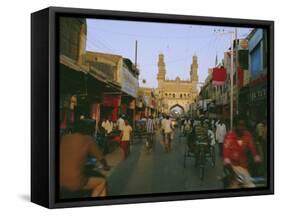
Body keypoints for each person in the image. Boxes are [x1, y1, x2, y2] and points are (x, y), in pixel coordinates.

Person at [60, 119, 110, 198]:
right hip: (75, 182)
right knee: (102, 181)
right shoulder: (88, 139)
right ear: (88, 129)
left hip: (58, 179)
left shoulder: (65, 138)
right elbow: (101, 158)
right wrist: (106, 166)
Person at [223, 116, 261, 188]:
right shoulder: (229, 136)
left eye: (243, 125)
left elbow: (253, 150)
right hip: (231, 167)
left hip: (244, 167)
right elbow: (226, 155)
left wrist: (256, 159)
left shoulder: (247, 135)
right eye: (240, 125)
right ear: (235, 126)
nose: (242, 127)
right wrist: (233, 174)